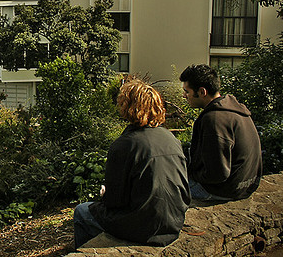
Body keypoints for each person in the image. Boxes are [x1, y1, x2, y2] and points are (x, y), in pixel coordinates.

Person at [73, 78, 190, 248]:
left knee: (82, 212)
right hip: (174, 222)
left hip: (144, 228)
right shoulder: (171, 138)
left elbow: (114, 202)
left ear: (127, 108)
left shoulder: (124, 145)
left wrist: (105, 194)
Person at [180, 64, 262, 201]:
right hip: (247, 185)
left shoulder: (214, 120)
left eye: (187, 92)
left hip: (226, 190)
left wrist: (192, 174)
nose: (184, 96)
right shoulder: (234, 110)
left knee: (164, 190)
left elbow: (217, 174)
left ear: (202, 92)